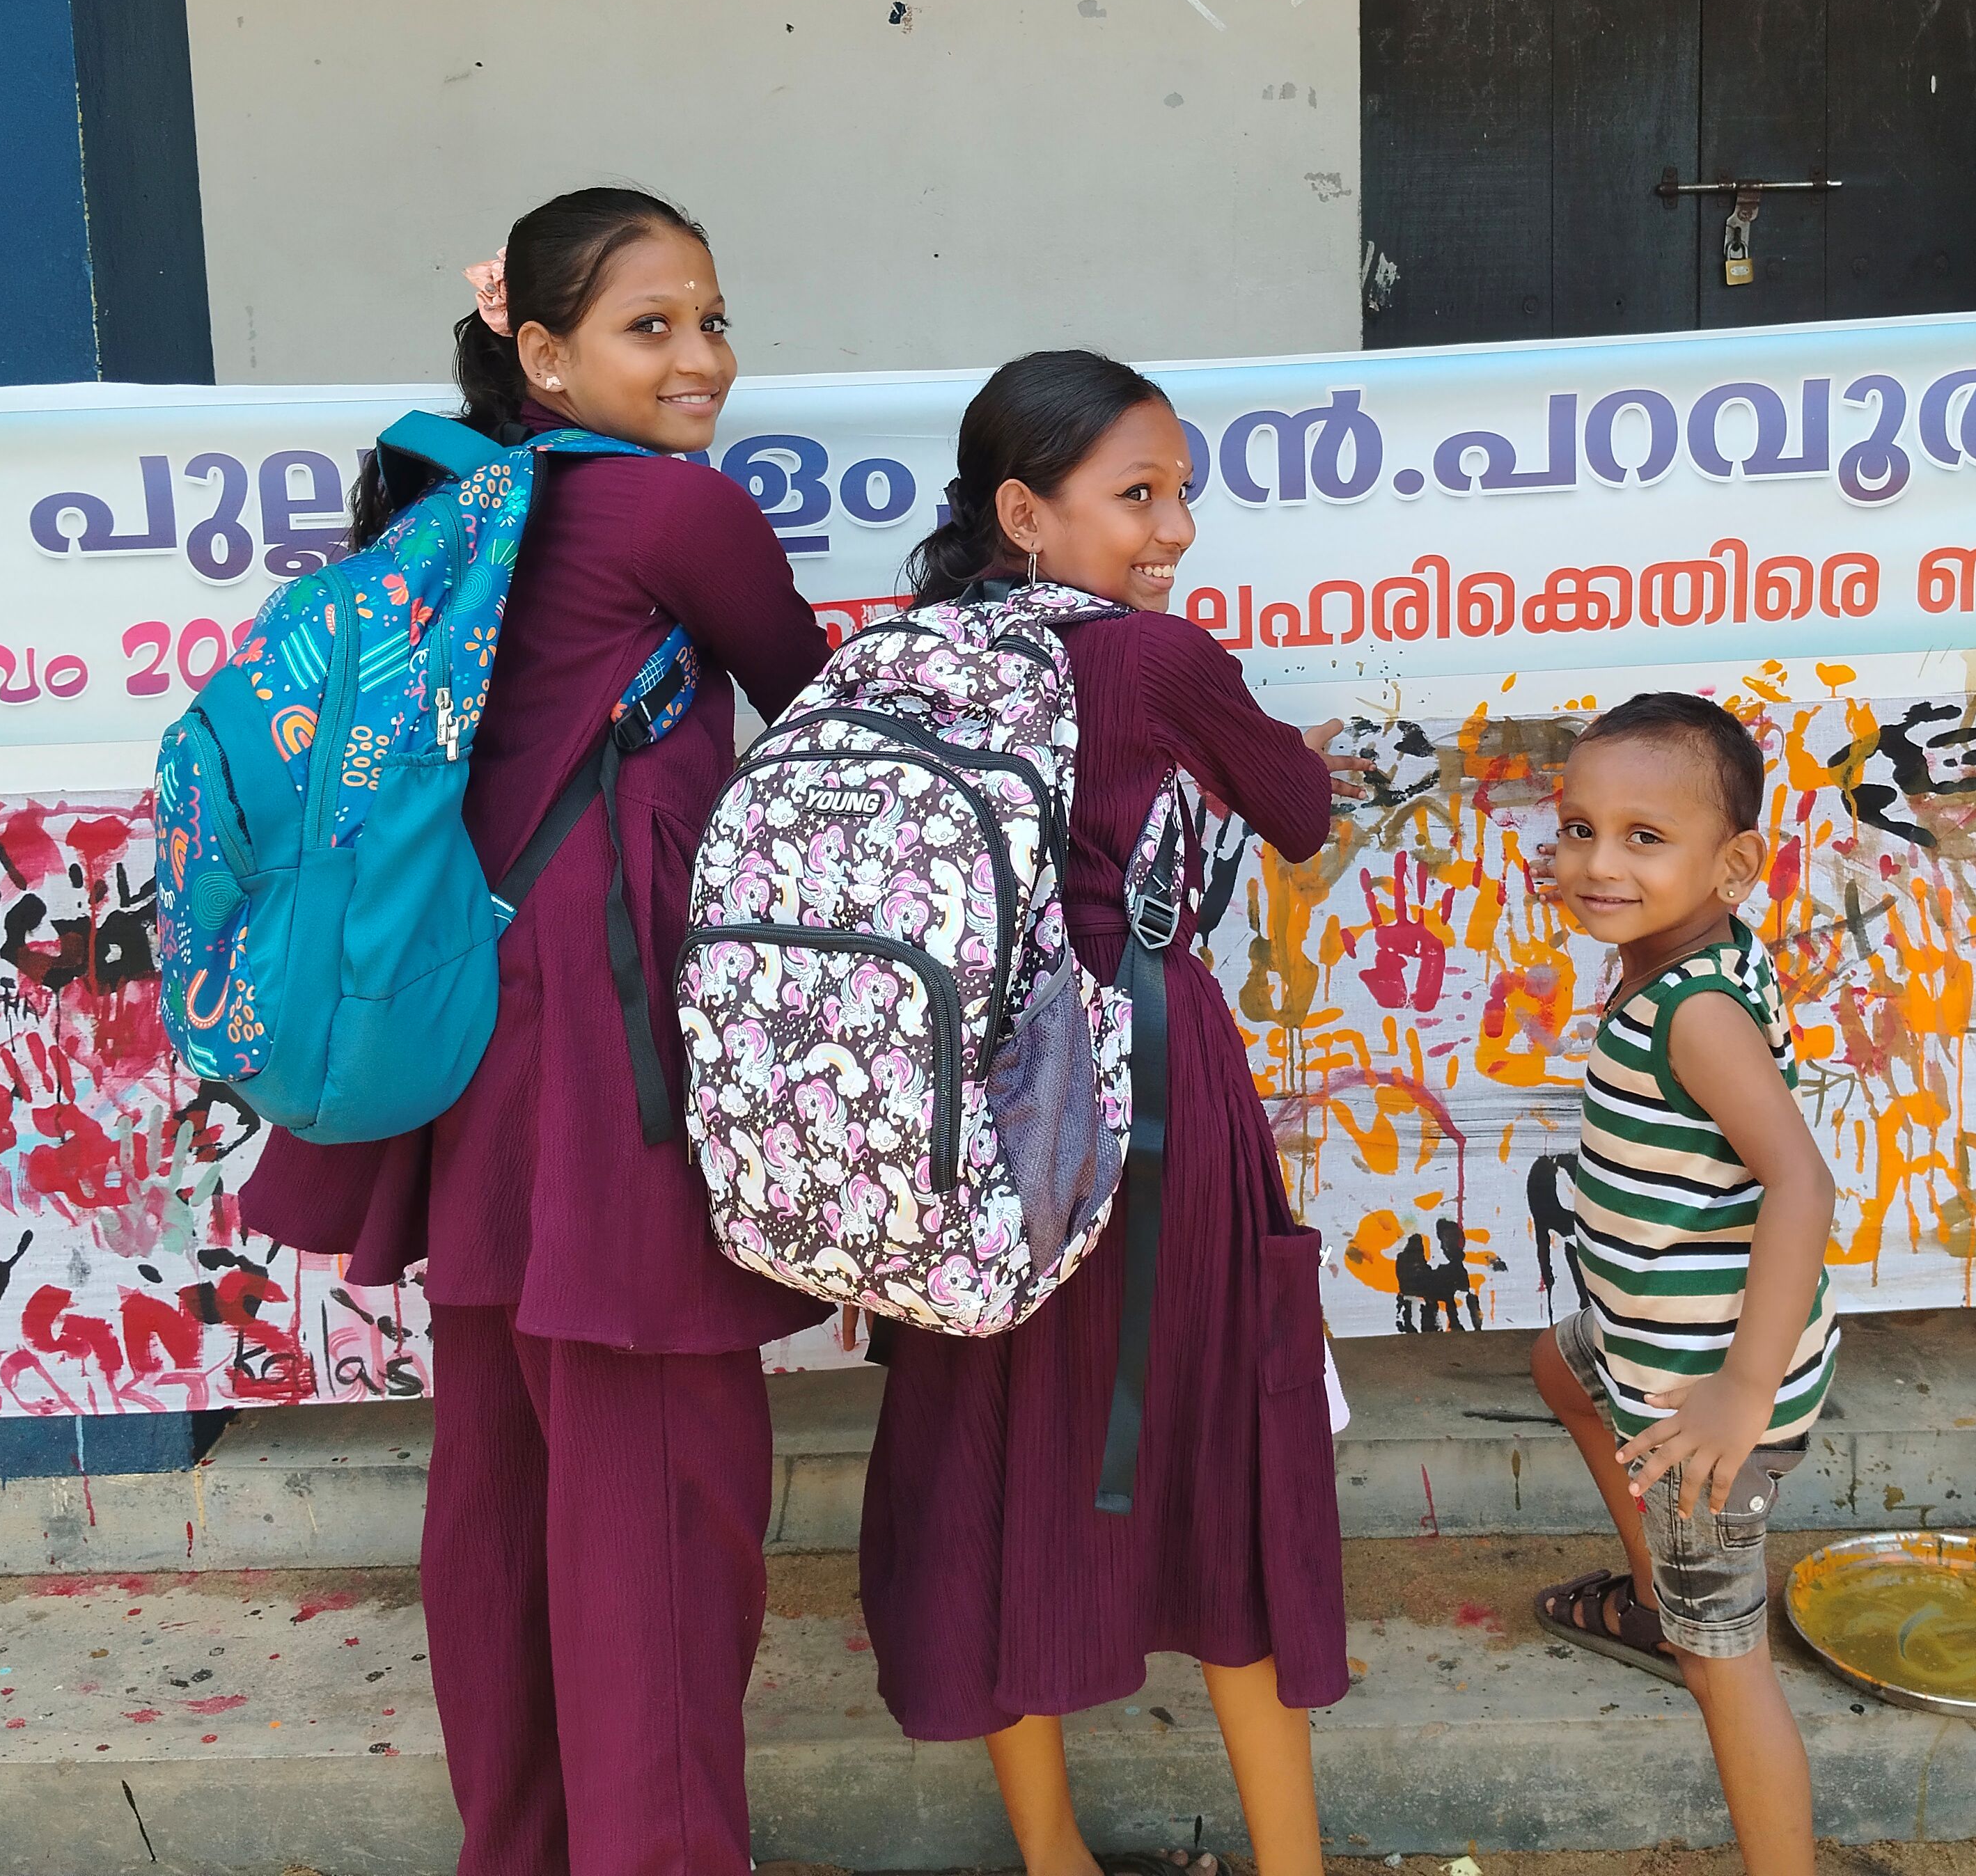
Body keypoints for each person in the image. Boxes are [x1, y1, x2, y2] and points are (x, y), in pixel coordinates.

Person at [239, 187, 832, 1876]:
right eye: (654, 326)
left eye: (712, 319)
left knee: (500, 1482)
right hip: (610, 1051)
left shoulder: (455, 503)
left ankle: (521, 1847)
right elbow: (819, 711)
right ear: (545, 354)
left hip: (466, 1035)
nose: (703, 358)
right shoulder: (672, 510)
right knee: (661, 1495)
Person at [858, 350, 1353, 1876]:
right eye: (1139, 494)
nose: (1176, 530)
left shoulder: (905, 653)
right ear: (1025, 512)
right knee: (1220, 1462)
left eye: (1183, 493)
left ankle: (1054, 1856)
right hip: (1141, 1096)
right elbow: (1299, 811)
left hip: (961, 1114)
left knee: (997, 1466)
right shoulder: (1148, 661)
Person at [1528, 693, 1842, 1876]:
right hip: (1646, 1336)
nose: (1598, 863)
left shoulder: (1694, 1010)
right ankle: (1662, 1602)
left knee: (1728, 1666)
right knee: (1558, 1369)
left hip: (1701, 1394)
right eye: (1580, 829)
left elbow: (1801, 1183)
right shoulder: (1682, 956)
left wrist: (1740, 1395)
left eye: (1644, 838)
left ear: (1734, 866)